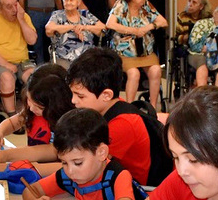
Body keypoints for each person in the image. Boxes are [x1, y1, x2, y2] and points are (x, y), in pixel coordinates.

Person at [21, 108, 158, 200]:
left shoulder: (118, 175)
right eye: (63, 162)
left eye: (78, 163)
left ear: (101, 153)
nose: (70, 171)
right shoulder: (69, 175)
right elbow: (31, 190)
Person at [68, 47, 172, 187]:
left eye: (80, 96)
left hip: (141, 191)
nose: (73, 101)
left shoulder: (122, 124)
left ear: (106, 95)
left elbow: (86, 167)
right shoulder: (107, 109)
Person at [0, 64, 74, 176]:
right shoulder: (33, 112)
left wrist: (10, 160)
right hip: (32, 167)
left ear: (56, 106)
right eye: (29, 100)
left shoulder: (67, 123)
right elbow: (12, 122)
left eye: (39, 107)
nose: (31, 108)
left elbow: (51, 151)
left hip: (49, 173)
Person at [107, 0, 168, 107]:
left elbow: (163, 22)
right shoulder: (121, 5)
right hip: (125, 52)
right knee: (134, 73)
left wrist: (148, 27)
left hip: (145, 52)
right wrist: (133, 30)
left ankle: (152, 107)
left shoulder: (146, 6)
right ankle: (129, 107)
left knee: (156, 70)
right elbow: (109, 24)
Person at [0, 0, 37, 115]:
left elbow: (32, 40)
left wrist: (21, 20)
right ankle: (12, 115)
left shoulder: (24, 16)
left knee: (35, 77)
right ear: (0, 8)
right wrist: (5, 64)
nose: (14, 9)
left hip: (23, 61)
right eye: (9, 6)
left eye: (15, 4)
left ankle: (31, 112)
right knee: (7, 78)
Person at [46, 0, 105, 68]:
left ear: (78, 1)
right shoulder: (57, 15)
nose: (68, 2)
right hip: (64, 58)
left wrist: (85, 27)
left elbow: (103, 30)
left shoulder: (86, 15)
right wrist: (73, 27)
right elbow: (48, 29)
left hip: (88, 58)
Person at [174, 0, 214, 88]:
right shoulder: (182, 17)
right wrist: (190, 36)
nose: (190, 4)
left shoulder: (208, 19)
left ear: (201, 7)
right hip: (187, 50)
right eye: (189, 1)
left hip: (207, 48)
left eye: (194, 2)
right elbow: (178, 38)